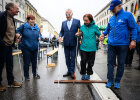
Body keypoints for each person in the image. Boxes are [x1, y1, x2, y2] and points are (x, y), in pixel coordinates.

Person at [100, 0, 137, 89]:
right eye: (111, 8)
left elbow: (133, 28)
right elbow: (108, 29)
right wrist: (103, 34)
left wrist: (133, 40)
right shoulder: (111, 18)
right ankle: (110, 80)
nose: (111, 10)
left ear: (119, 6)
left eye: (113, 8)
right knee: (110, 63)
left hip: (123, 45)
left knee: (121, 64)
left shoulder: (128, 15)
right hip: (111, 44)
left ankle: (117, 81)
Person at [0, 2, 22, 92]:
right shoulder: (1, 16)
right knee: (0, 65)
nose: (18, 10)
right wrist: (2, 43)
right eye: (17, 8)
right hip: (2, 45)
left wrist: (15, 36)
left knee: (10, 65)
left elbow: (11, 30)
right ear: (11, 9)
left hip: (9, 46)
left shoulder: (12, 18)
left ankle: (11, 81)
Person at [75, 14, 101, 80]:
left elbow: (99, 35)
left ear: (90, 20)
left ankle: (89, 74)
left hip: (92, 48)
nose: (85, 22)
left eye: (86, 20)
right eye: (84, 20)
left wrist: (101, 37)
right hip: (83, 47)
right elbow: (80, 34)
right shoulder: (82, 27)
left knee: (90, 62)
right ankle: (83, 74)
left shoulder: (95, 27)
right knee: (83, 61)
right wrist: (77, 35)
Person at [16, 15, 40, 81]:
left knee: (34, 62)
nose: (32, 21)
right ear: (28, 20)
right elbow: (17, 31)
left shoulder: (36, 27)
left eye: (33, 19)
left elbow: (39, 34)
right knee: (26, 62)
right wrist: (18, 34)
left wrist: (40, 37)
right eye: (31, 19)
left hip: (35, 47)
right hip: (26, 47)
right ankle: (26, 76)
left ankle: (35, 74)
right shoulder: (24, 26)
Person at [59, 9, 80, 79]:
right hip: (66, 43)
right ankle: (69, 70)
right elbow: (61, 31)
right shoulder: (63, 22)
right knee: (67, 58)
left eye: (68, 15)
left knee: (73, 58)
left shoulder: (77, 21)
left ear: (72, 14)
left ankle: (72, 72)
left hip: (74, 42)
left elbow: (81, 30)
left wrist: (79, 33)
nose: (67, 16)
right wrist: (60, 36)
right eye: (66, 15)